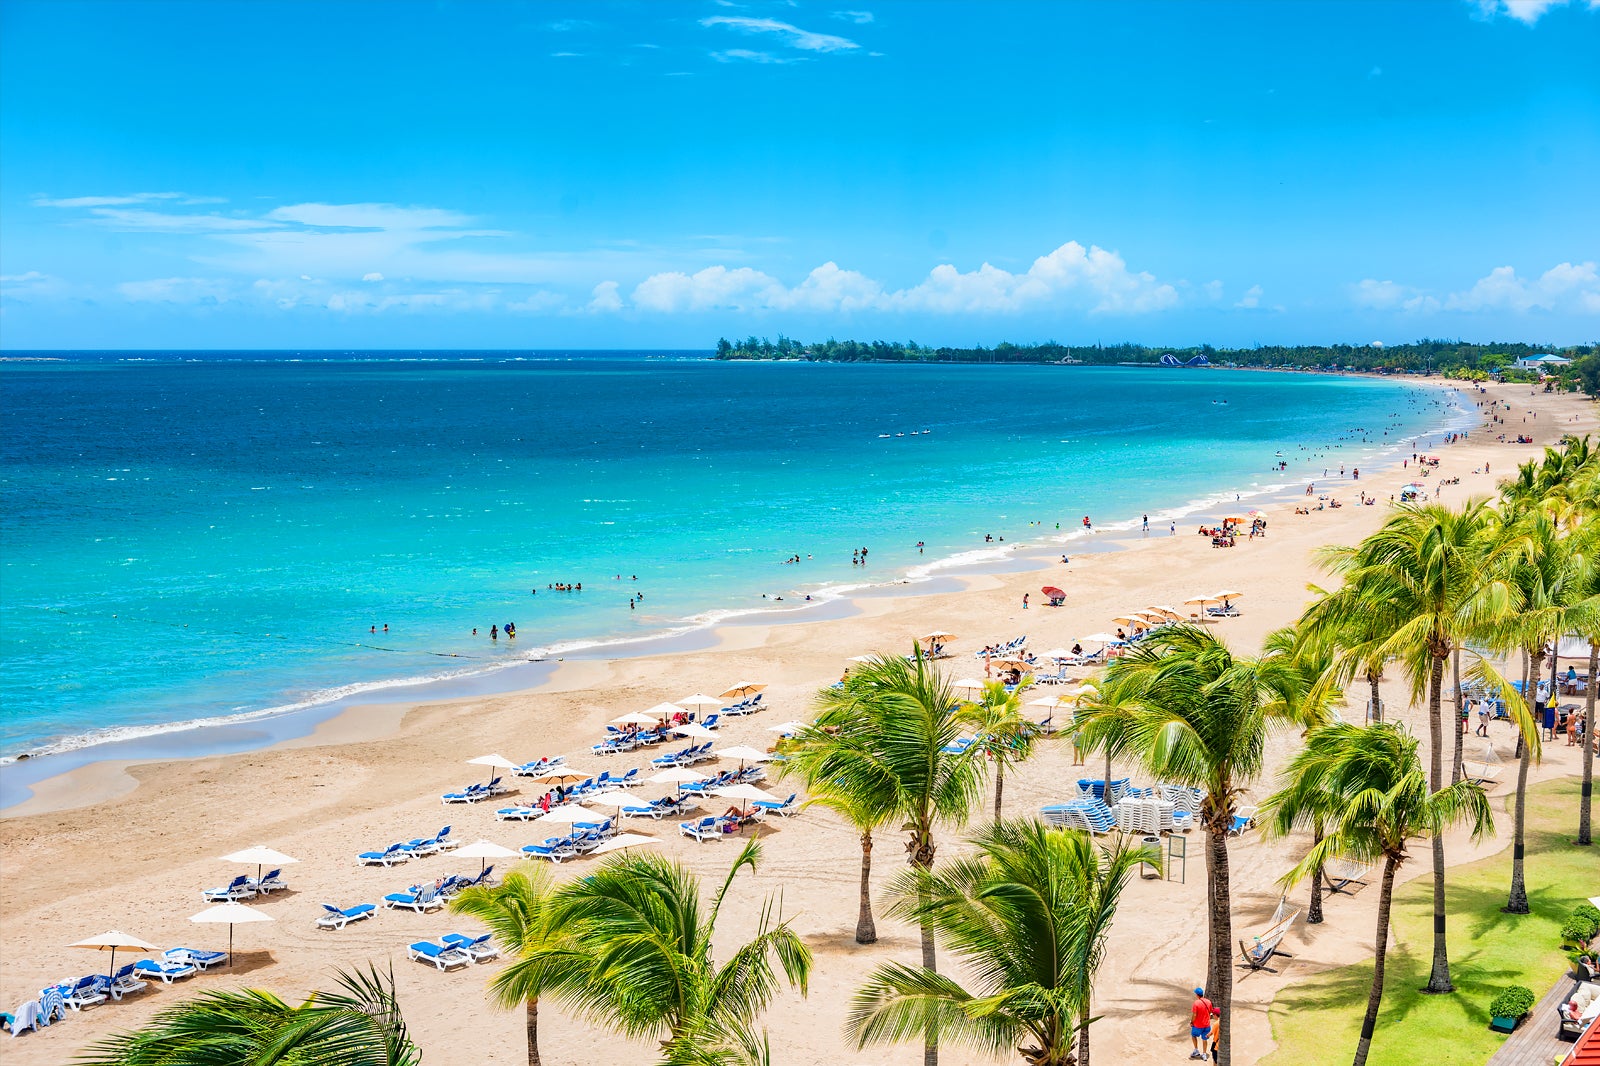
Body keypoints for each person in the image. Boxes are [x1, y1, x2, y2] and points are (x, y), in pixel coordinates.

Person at [1189, 987, 1218, 1060]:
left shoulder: (1196, 1003)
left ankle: (1196, 1050)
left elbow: (1194, 1015)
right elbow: (1211, 1011)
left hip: (1198, 1025)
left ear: (1197, 995)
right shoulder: (1208, 1001)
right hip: (1207, 1025)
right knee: (1204, 1039)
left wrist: (1192, 1022)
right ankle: (1204, 1054)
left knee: (1193, 1035)